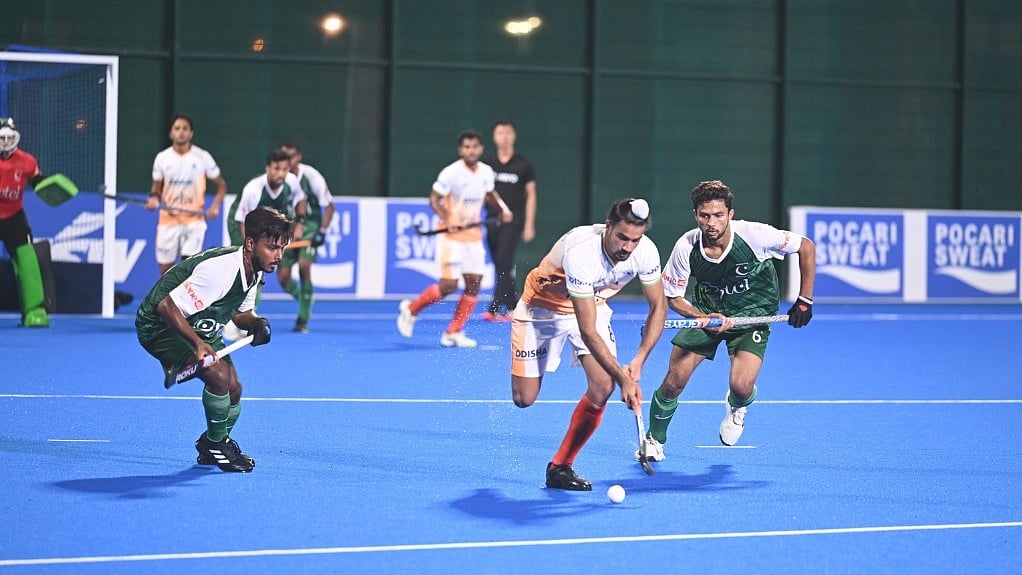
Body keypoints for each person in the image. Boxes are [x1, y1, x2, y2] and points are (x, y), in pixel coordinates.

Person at [639, 180, 816, 463]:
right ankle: (654, 440)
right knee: (674, 381)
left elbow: (806, 246)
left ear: (730, 214)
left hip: (752, 314)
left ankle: (737, 406)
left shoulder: (755, 235)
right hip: (707, 313)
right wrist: (703, 318)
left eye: (718, 215)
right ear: (695, 215)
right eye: (704, 215)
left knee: (741, 386)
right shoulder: (686, 246)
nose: (711, 223)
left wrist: (805, 300)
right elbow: (672, 297)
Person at [510, 198, 667, 491]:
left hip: (591, 304)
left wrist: (638, 361)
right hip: (542, 308)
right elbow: (588, 331)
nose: (628, 247)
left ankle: (560, 467)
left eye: (635, 239)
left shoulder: (645, 251)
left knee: (603, 385)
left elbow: (659, 306)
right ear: (608, 226)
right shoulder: (582, 252)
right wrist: (624, 379)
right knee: (524, 398)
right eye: (622, 237)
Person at [135, 206, 293, 473]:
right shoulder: (221, 271)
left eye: (282, 248)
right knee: (219, 377)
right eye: (272, 247)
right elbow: (166, 307)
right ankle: (219, 447)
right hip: (159, 325)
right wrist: (198, 345)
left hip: (199, 325)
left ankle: (213, 443)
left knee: (234, 389)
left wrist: (256, 323)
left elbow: (241, 314)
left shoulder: (254, 270)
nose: (278, 256)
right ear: (250, 243)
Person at [397, 129, 513, 348]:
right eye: (466, 147)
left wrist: (503, 210)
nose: (471, 151)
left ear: (481, 149)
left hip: (474, 236)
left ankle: (453, 331)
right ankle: (411, 309)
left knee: (474, 284)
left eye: (475, 147)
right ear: (461, 150)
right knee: (449, 285)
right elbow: (434, 199)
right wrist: (447, 218)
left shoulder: (486, 172)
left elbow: (490, 194)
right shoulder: (450, 173)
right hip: (451, 238)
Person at [0, 117, 79, 328]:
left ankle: (34, 310)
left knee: (28, 262)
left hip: (14, 219)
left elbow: (38, 182)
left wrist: (51, 186)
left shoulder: (27, 161)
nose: (6, 142)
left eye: (9, 137)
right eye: (2, 138)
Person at [148, 112, 228, 275]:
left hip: (194, 221)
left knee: (188, 268)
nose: (181, 132)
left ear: (191, 133)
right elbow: (156, 187)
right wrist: (154, 198)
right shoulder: (162, 158)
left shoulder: (202, 157)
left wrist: (215, 207)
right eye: (177, 128)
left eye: (185, 129)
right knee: (165, 272)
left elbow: (221, 186)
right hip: (168, 220)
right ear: (171, 133)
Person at [481, 120, 537, 322]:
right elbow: (482, 192)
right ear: (494, 137)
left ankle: (502, 306)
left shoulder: (523, 164)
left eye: (508, 132)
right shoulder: (487, 165)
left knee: (504, 262)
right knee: (501, 265)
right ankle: (507, 306)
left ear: (514, 136)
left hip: (513, 222)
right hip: (491, 221)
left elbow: (531, 195)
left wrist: (529, 224)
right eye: (500, 133)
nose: (504, 137)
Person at [278, 140, 335, 333]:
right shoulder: (279, 177)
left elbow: (329, 207)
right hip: (288, 227)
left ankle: (302, 319)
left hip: (309, 227)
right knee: (283, 277)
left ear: (299, 157)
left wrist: (322, 232)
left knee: (304, 266)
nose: (288, 160)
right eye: (284, 156)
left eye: (291, 156)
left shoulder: (311, 176)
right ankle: (305, 297)